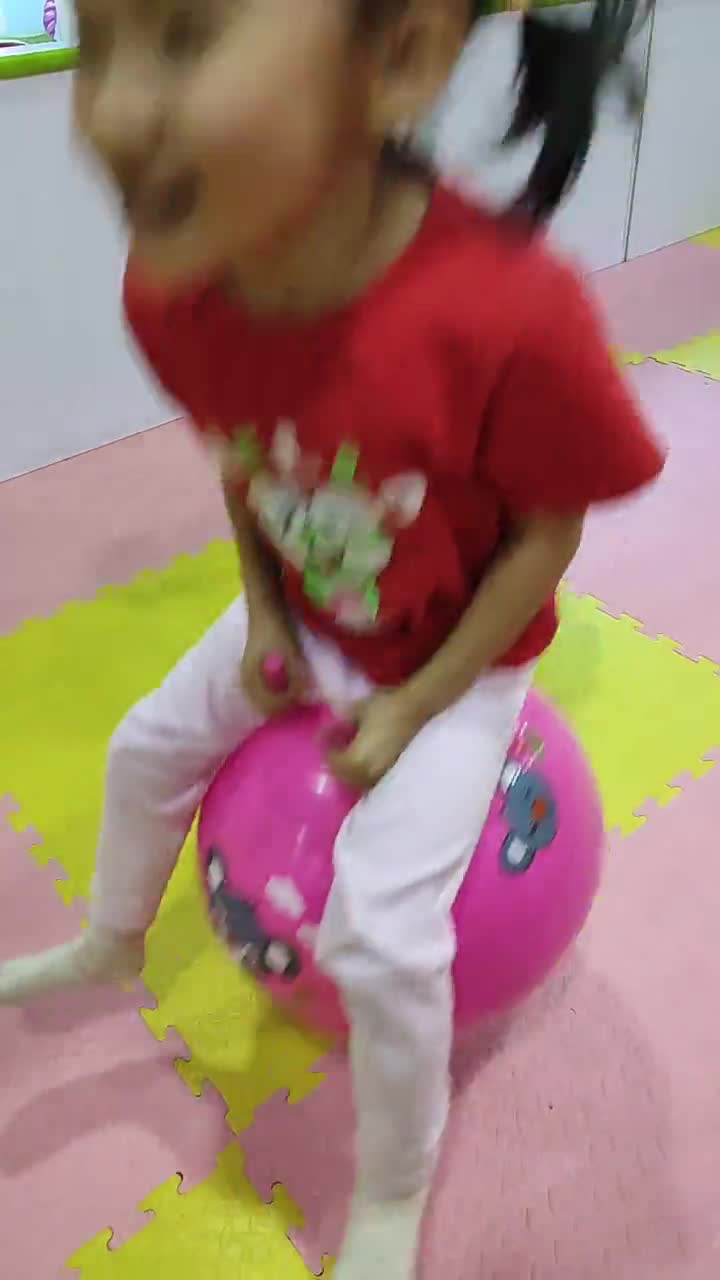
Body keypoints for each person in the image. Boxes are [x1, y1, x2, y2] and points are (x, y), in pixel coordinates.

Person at [1, 1, 663, 1276]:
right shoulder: (182, 287)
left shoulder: (510, 315)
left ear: (400, 58)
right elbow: (244, 461)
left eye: (185, 38)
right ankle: (113, 937)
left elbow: (546, 539)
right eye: (94, 42)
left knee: (381, 933)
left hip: (460, 665)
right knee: (144, 748)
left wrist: (416, 705)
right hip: (306, 613)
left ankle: (394, 1185)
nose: (113, 111)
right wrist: (263, 605)